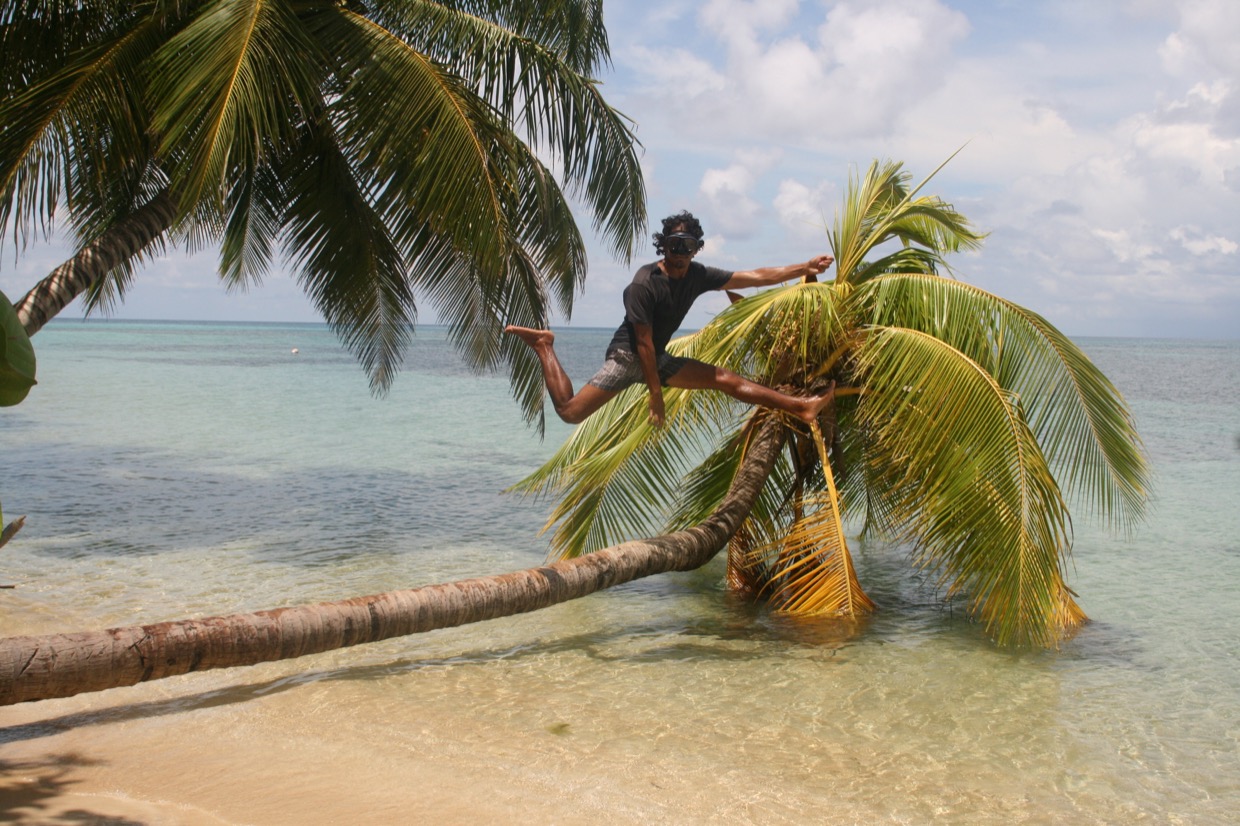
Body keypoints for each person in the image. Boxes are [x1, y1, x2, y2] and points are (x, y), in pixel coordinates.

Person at [506, 210, 835, 428]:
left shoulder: (699, 275)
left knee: (726, 380)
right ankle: (544, 345)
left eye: (686, 246)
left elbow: (753, 276)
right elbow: (643, 346)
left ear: (696, 250)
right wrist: (656, 396)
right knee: (570, 412)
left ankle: (802, 406)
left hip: (657, 359)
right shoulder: (644, 283)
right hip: (627, 356)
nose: (679, 253)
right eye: (673, 245)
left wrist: (804, 267)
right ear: (663, 246)